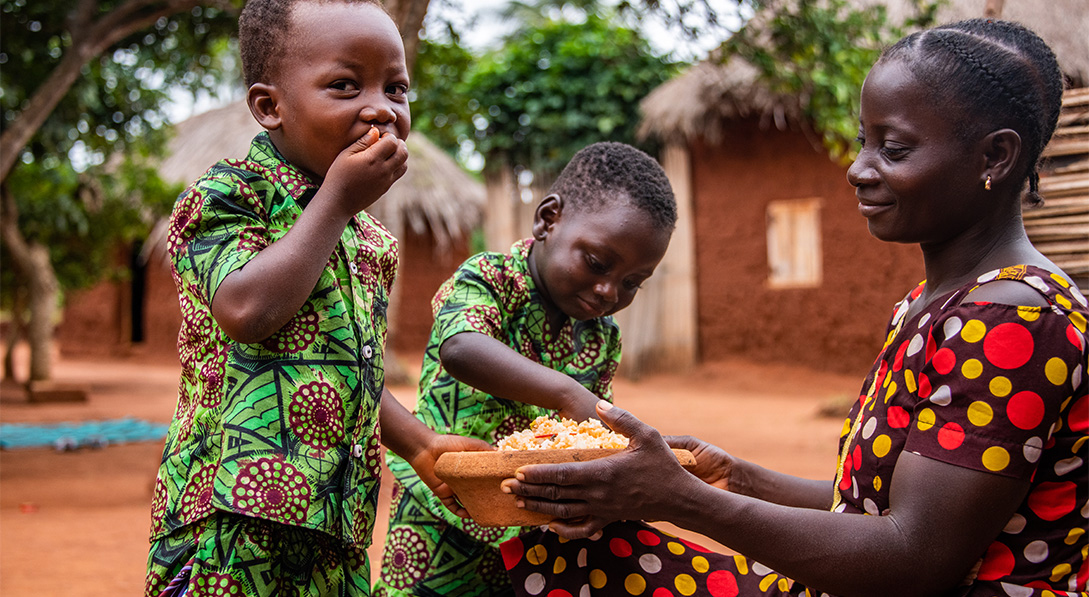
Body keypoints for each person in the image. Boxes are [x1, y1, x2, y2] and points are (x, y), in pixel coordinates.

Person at [502, 19, 1088, 597]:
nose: (859, 169)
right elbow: (865, 504)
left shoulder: (1015, 321)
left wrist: (679, 500)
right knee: (564, 550)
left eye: (895, 148)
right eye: (864, 142)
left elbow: (914, 559)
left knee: (576, 567)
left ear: (996, 157)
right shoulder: (931, 305)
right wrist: (732, 477)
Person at [144, 1, 489, 595]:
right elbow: (247, 310)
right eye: (344, 85)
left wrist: (421, 444)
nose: (382, 107)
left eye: (396, 88)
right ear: (270, 106)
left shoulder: (369, 239)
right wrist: (334, 202)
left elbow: (343, 373)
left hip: (338, 522)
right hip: (229, 523)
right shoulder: (230, 195)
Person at [372, 142, 678, 596]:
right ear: (548, 219)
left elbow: (591, 435)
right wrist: (568, 395)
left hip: (536, 530)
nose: (608, 291)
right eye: (597, 263)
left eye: (633, 282)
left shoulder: (600, 336)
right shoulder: (490, 279)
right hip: (443, 513)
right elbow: (462, 347)